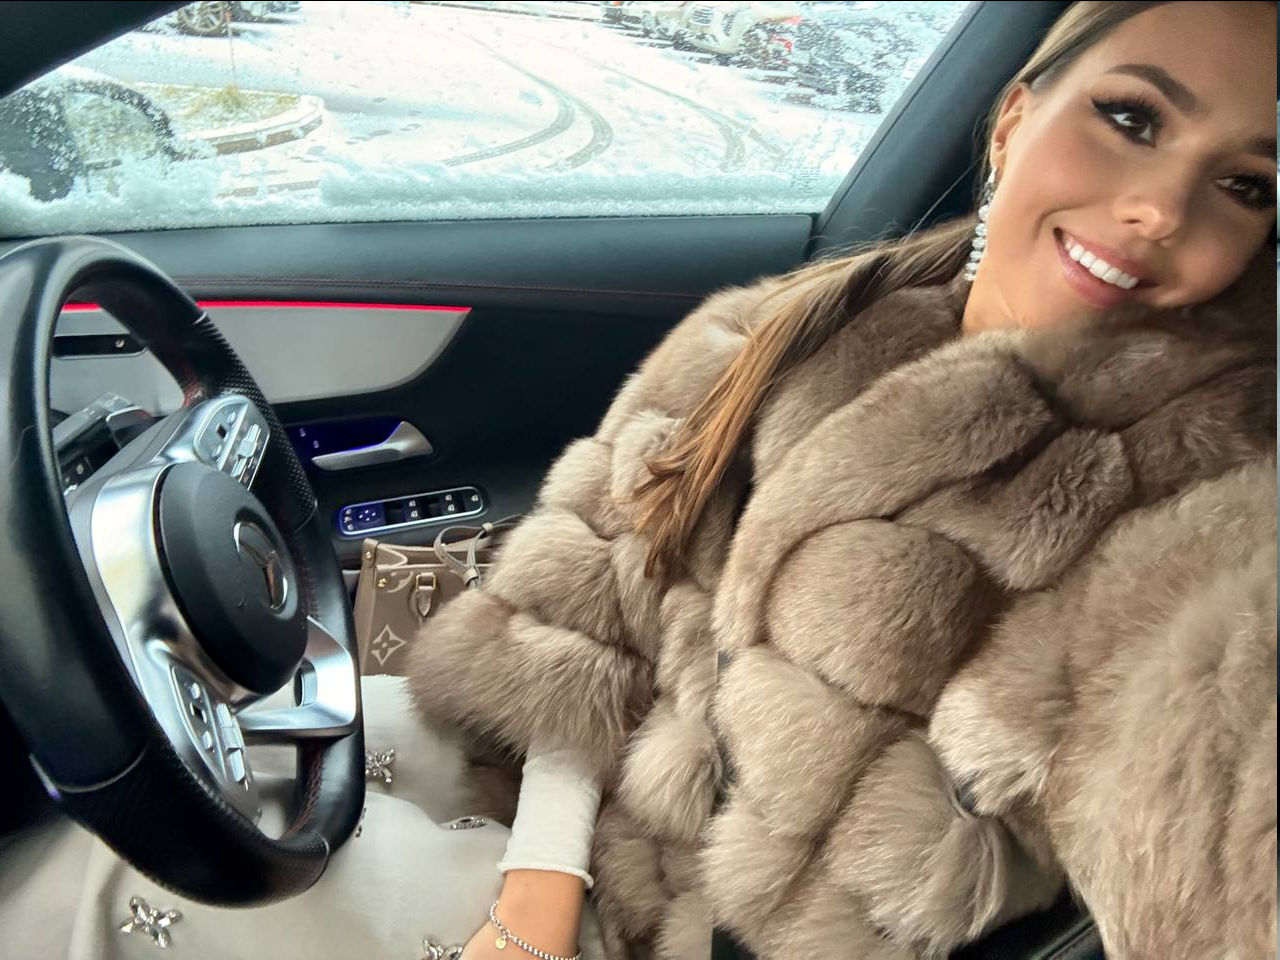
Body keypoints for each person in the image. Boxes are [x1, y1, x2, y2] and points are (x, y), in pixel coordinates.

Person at [406, 2, 1278, 958]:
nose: (1161, 209)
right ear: (1013, 122)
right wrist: (534, 903)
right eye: (1132, 119)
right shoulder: (775, 334)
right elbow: (585, 637)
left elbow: (1215, 775)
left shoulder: (1205, 493)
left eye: (1244, 184)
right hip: (551, 870)